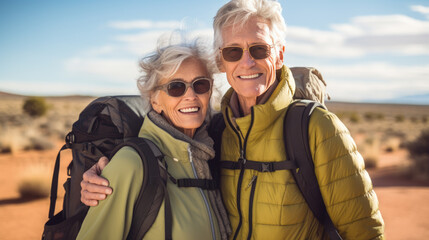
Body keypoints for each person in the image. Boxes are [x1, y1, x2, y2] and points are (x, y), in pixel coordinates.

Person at [81, 0, 385, 239]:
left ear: (279, 55)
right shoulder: (217, 133)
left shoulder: (315, 128)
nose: (247, 61)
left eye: (259, 49)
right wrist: (106, 175)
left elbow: (364, 232)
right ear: (220, 60)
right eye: (233, 51)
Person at [76, 39, 231, 240]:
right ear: (155, 100)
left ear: (210, 91)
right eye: (176, 87)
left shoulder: (209, 153)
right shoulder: (132, 163)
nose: (191, 95)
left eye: (200, 84)